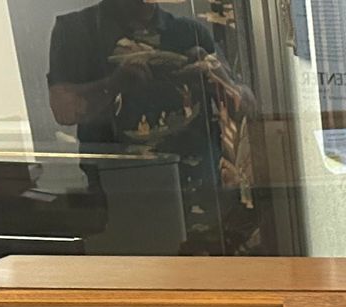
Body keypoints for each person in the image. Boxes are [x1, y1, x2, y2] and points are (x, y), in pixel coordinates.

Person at [46, 0, 255, 253]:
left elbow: (247, 108)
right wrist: (115, 82)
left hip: (199, 192)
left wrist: (218, 76)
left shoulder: (189, 31)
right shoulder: (76, 30)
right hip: (124, 195)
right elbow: (64, 111)